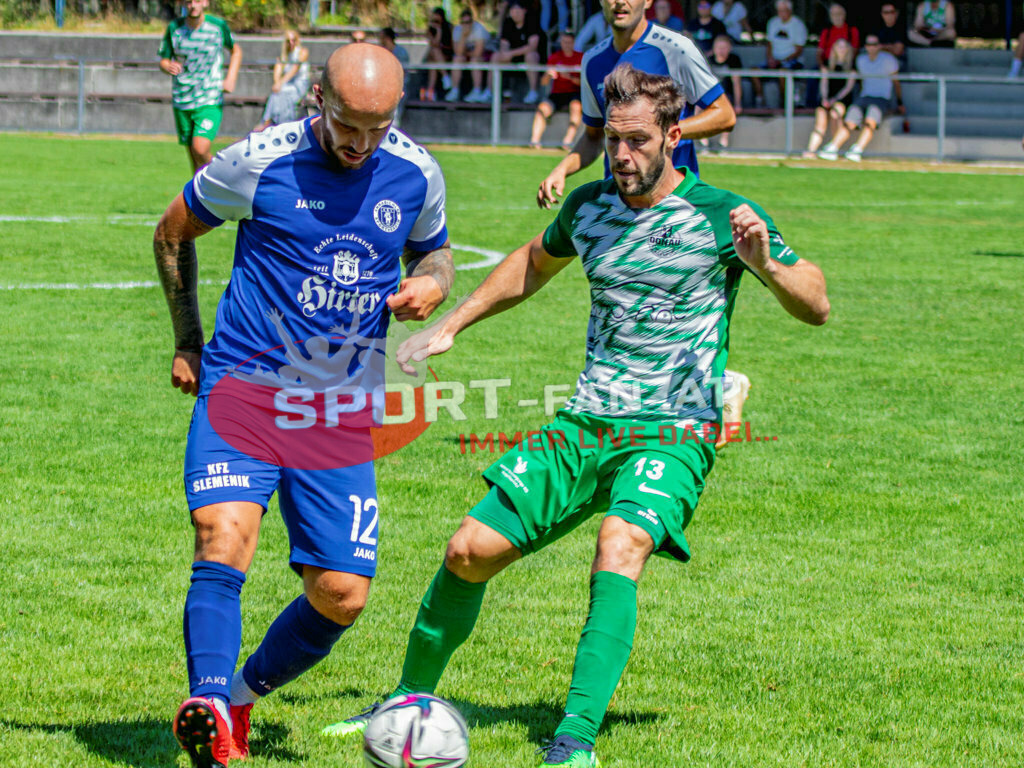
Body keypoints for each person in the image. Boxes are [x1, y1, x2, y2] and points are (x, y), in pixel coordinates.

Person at [322, 63, 829, 767]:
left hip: (674, 429)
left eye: (639, 141)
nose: (623, 156)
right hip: (587, 422)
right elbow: (533, 262)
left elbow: (818, 303)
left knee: (619, 545)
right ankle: (406, 703)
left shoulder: (723, 214)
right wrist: (454, 325)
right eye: (614, 141)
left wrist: (767, 265)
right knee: (468, 550)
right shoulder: (589, 208)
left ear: (673, 136)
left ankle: (574, 743)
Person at [154, 43, 454, 768]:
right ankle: (210, 702)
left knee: (343, 594)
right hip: (244, 389)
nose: (359, 144)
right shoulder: (257, 160)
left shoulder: (416, 173)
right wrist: (189, 340)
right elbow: (171, 233)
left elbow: (436, 252)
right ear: (319, 97)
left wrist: (434, 285)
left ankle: (244, 695)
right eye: (348, 124)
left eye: (376, 130)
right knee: (223, 536)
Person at [537, 0, 735, 208]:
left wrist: (660, 133)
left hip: (675, 202)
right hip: (620, 204)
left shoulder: (675, 49)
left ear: (648, 1)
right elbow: (593, 135)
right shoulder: (592, 61)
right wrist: (562, 169)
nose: (620, 2)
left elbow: (724, 115)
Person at [159, 0, 242, 174]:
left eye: (197, 1)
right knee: (194, 158)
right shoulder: (175, 28)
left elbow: (236, 50)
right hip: (183, 99)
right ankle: (201, 197)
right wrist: (167, 66)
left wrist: (231, 78)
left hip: (209, 98)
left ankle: (222, 178)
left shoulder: (217, 26)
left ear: (205, 2)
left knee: (200, 148)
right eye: (188, 2)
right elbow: (164, 59)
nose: (193, 5)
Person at [818, 34, 900, 162]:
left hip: (881, 98)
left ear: (879, 46)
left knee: (870, 121)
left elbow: (896, 82)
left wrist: (899, 102)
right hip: (864, 96)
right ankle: (833, 148)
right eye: (869, 44)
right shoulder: (861, 60)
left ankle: (857, 150)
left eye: (874, 44)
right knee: (849, 122)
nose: (871, 47)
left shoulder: (888, 60)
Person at [530, 30, 584, 149]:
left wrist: (569, 77)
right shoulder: (554, 57)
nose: (566, 45)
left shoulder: (581, 58)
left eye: (569, 42)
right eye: (564, 42)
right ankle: (535, 141)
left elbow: (585, 83)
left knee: (576, 107)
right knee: (542, 108)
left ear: (573, 43)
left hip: (574, 93)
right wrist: (548, 75)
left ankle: (567, 141)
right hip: (557, 93)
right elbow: (544, 83)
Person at [803, 37, 855, 158]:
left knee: (835, 114)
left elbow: (847, 88)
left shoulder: (851, 68)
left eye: (844, 47)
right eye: (839, 46)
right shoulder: (827, 65)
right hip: (828, 98)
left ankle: (833, 148)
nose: (841, 49)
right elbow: (824, 84)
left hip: (841, 99)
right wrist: (825, 98)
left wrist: (835, 100)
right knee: (820, 122)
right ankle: (811, 150)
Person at [752, 0, 807, 108]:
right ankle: (760, 100)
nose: (781, 13)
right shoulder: (772, 22)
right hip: (774, 60)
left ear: (790, 10)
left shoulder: (798, 24)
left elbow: (799, 50)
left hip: (792, 61)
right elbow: (769, 44)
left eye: (784, 11)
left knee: (783, 73)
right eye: (779, 11)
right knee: (753, 71)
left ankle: (784, 103)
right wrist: (770, 59)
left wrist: (782, 61)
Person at [253, 30, 310, 132]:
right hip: (288, 84)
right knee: (276, 94)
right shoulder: (284, 56)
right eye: (288, 41)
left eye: (294, 40)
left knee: (282, 92)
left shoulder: (302, 52)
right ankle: (272, 122)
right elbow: (277, 71)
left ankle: (268, 122)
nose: (291, 43)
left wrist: (280, 83)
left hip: (299, 84)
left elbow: (294, 69)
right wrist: (277, 83)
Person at [495, 0, 546, 104]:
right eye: (512, 11)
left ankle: (533, 91)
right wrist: (505, 53)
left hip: (532, 57)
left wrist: (511, 53)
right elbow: (504, 45)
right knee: (496, 57)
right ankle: (491, 92)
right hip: (513, 56)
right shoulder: (508, 23)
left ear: (524, 11)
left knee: (531, 56)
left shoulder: (532, 21)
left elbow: (532, 47)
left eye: (517, 11)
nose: (515, 14)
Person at [702, 34, 742, 152]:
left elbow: (736, 84)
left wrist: (738, 103)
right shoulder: (708, 60)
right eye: (719, 48)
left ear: (729, 48)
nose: (721, 51)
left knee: (728, 111)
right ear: (714, 49)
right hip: (709, 94)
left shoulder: (734, 60)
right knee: (697, 107)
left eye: (724, 48)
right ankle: (704, 141)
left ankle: (723, 143)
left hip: (726, 94)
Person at [448, 7, 493, 102]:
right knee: (457, 59)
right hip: (468, 54)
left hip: (488, 54)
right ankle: (454, 90)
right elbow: (458, 52)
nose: (466, 25)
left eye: (468, 22)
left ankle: (477, 90)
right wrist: (463, 36)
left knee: (475, 60)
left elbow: (478, 52)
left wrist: (466, 53)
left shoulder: (479, 29)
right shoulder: (457, 30)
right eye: (463, 23)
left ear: (472, 22)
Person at [423, 6, 455, 101]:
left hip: (447, 53)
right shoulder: (430, 30)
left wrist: (441, 29)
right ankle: (445, 77)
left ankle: (431, 89)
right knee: (434, 55)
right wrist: (438, 31)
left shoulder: (450, 27)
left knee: (433, 59)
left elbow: (452, 44)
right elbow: (435, 44)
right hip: (436, 53)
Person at [817, 3, 859, 69]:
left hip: (846, 64)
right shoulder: (826, 31)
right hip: (828, 63)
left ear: (844, 15)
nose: (836, 17)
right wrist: (821, 66)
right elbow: (819, 52)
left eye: (838, 14)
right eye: (833, 14)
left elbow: (855, 51)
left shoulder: (852, 30)